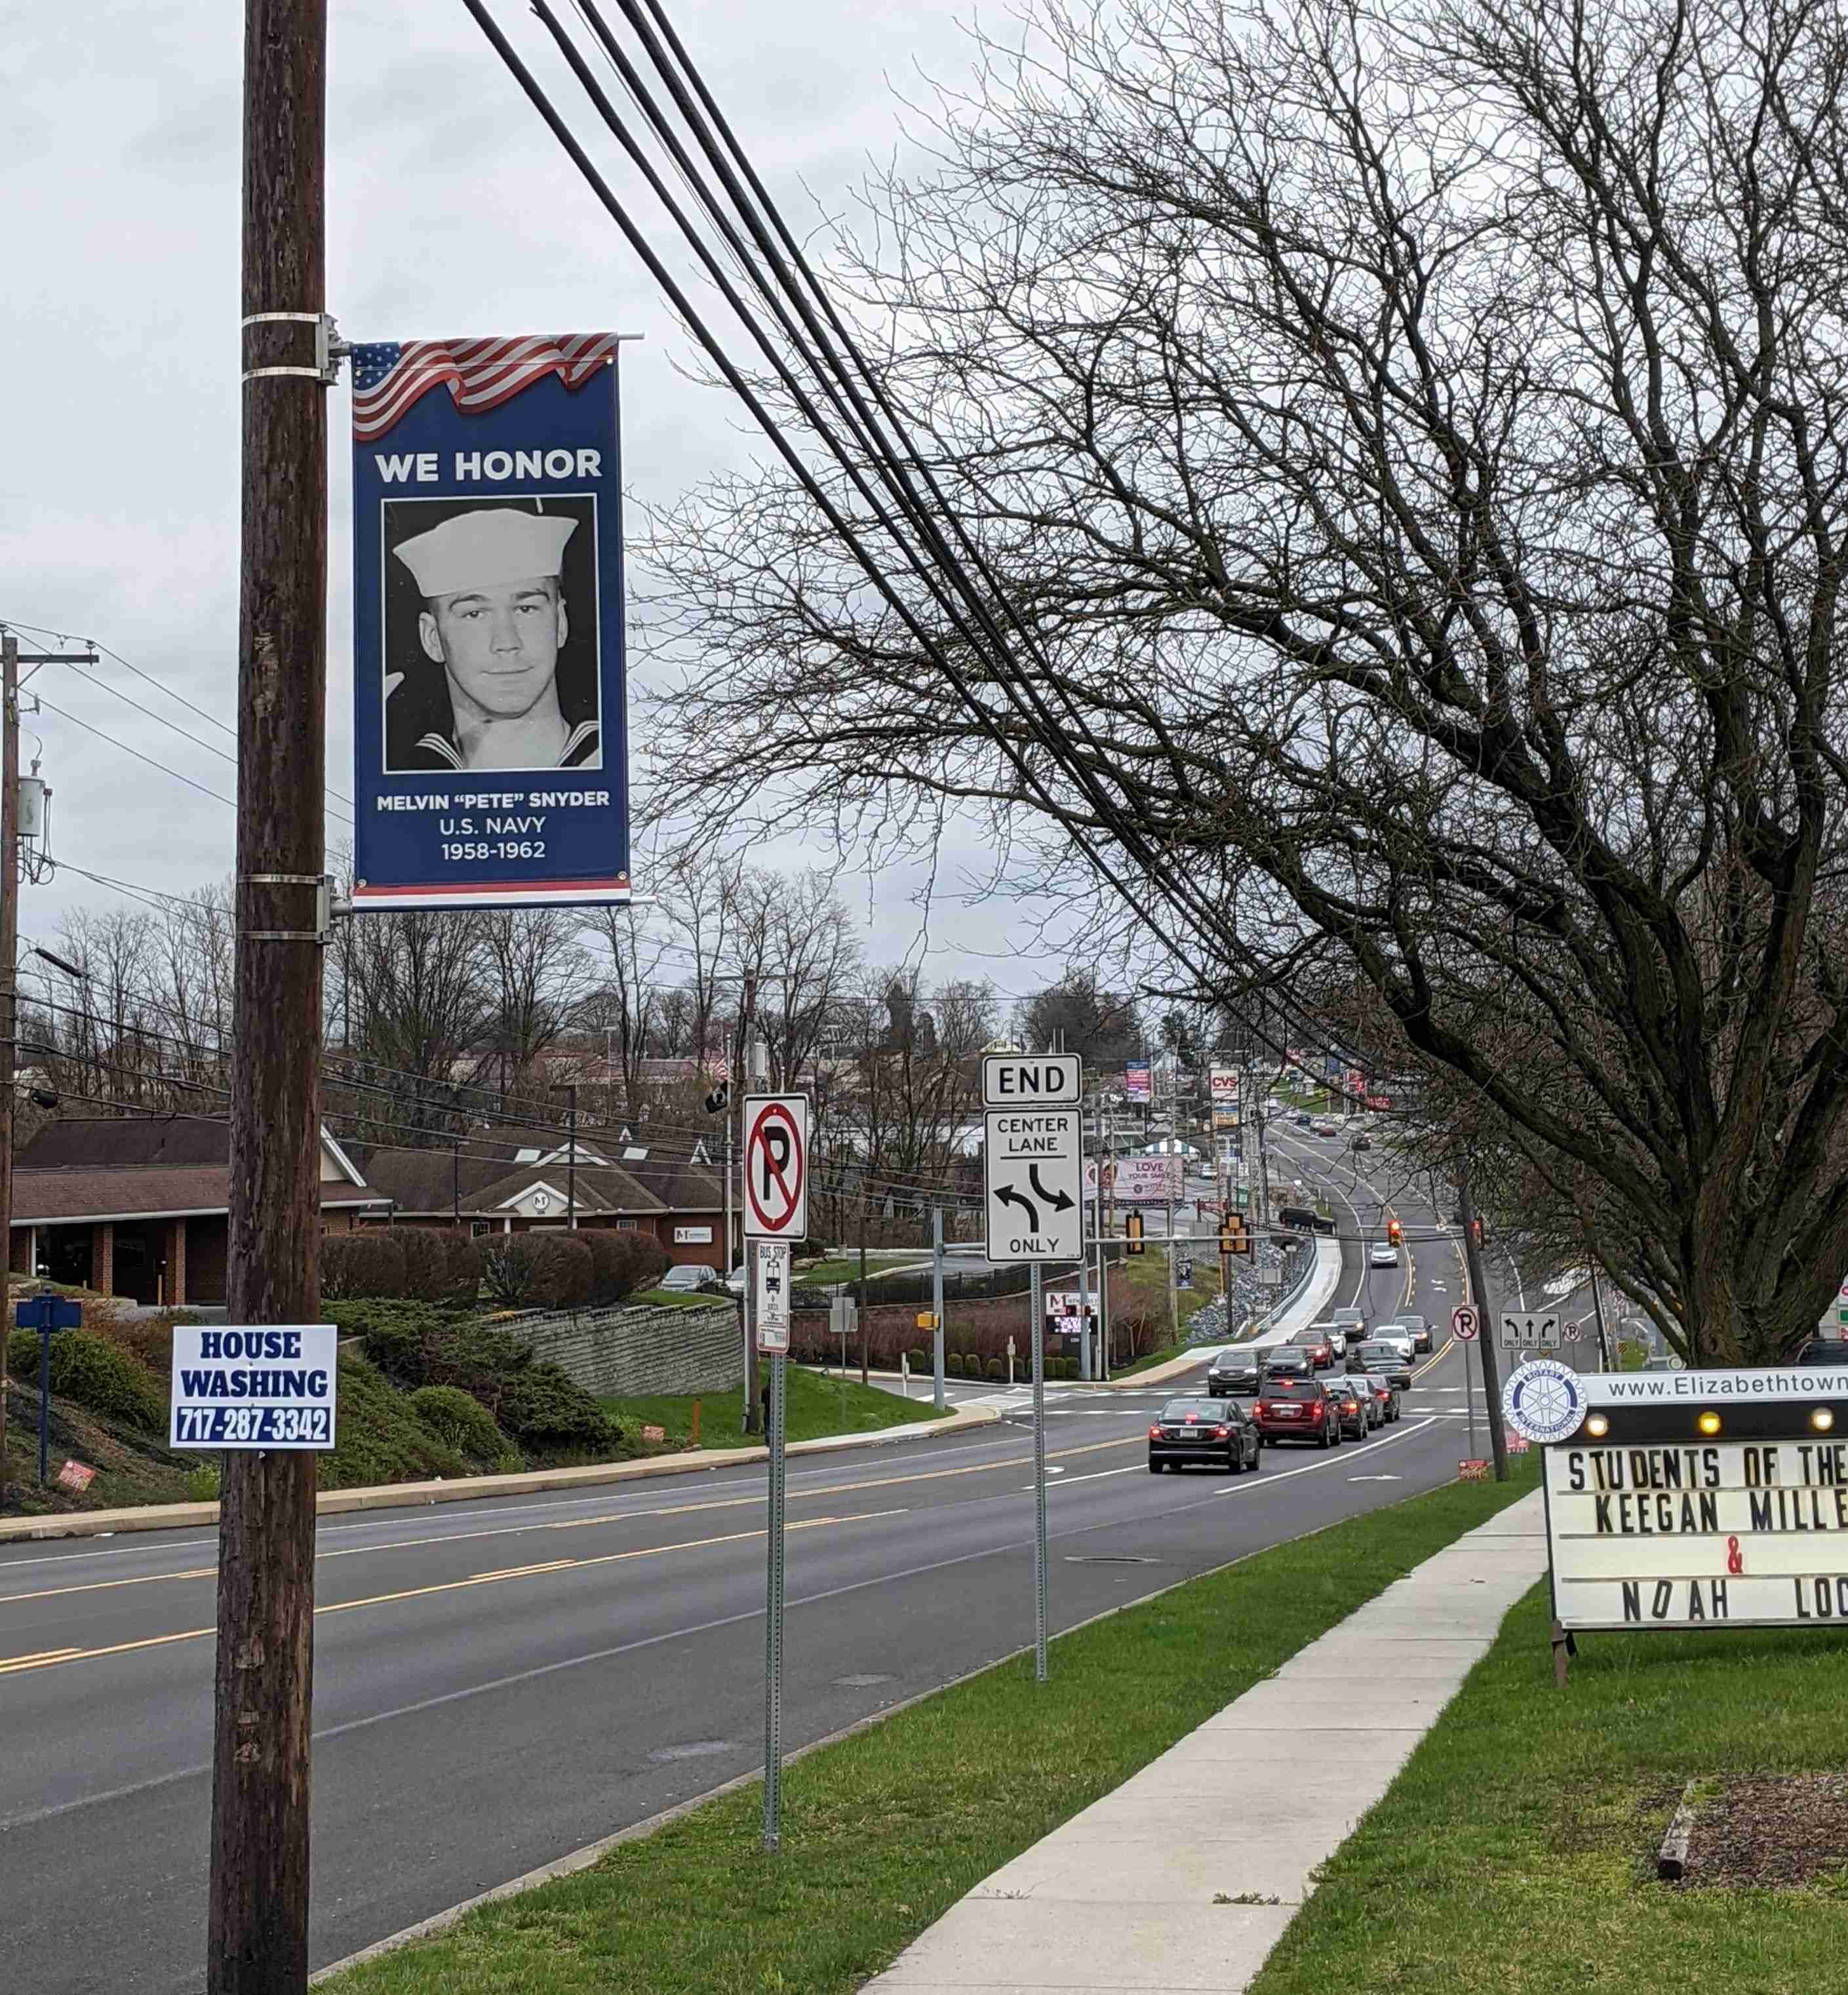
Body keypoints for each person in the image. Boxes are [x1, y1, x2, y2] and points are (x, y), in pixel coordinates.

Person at [386, 507, 601, 772]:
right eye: (474, 614)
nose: (507, 642)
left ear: (561, 623)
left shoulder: (611, 759)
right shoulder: (405, 777)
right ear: (432, 638)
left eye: (526, 609)